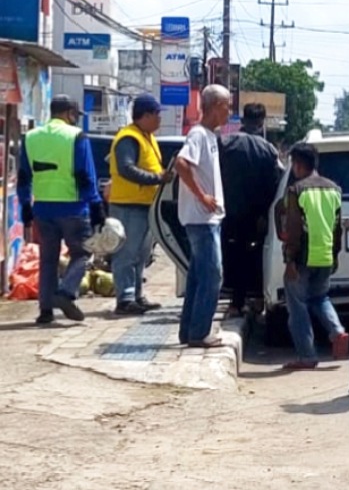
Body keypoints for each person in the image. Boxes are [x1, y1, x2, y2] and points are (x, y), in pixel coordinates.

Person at [18, 95, 106, 325]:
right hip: (74, 208)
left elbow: (24, 177)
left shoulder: (31, 137)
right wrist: (96, 205)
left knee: (48, 260)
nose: (76, 120)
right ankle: (65, 293)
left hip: (43, 210)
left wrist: (25, 206)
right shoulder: (76, 136)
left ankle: (45, 310)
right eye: (75, 115)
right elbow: (85, 175)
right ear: (68, 113)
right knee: (83, 253)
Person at [280, 143, 349, 370]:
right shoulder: (334, 189)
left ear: (298, 165)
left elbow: (293, 228)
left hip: (302, 257)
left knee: (298, 306)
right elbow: (338, 228)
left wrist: (290, 260)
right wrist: (335, 255)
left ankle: (307, 356)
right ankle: (337, 331)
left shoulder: (296, 190)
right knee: (320, 298)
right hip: (326, 256)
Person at [175, 85, 231, 348]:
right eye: (227, 106)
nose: (229, 112)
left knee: (198, 278)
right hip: (201, 220)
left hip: (208, 219)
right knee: (212, 275)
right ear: (216, 106)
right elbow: (181, 164)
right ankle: (199, 333)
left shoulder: (209, 136)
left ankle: (189, 331)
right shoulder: (198, 135)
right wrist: (202, 196)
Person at [108, 93, 174, 315]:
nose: (159, 119)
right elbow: (127, 169)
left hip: (144, 205)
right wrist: (157, 178)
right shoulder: (129, 138)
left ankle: (136, 295)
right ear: (145, 115)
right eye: (156, 115)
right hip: (128, 205)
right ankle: (125, 299)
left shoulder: (146, 136)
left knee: (141, 254)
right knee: (127, 253)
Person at [220, 103, 284, 318]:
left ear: (241, 119)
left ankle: (235, 303)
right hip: (257, 216)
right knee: (256, 256)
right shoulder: (268, 149)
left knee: (231, 255)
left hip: (227, 212)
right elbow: (274, 185)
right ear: (262, 122)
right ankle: (255, 299)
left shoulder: (225, 144)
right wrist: (266, 215)